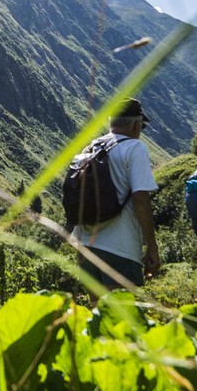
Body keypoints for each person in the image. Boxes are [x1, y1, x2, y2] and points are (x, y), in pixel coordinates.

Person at [71, 98, 160, 289]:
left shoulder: (92, 147)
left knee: (98, 314)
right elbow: (141, 199)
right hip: (120, 249)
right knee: (123, 316)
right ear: (137, 125)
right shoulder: (135, 148)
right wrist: (152, 247)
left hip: (85, 246)